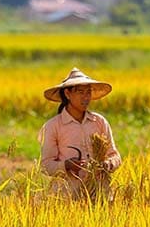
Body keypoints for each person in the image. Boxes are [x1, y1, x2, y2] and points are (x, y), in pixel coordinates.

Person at [39, 67, 122, 199]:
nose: (86, 97)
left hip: (100, 194)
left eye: (88, 92)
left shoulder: (99, 122)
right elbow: (45, 166)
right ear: (67, 94)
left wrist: (109, 163)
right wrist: (66, 165)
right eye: (81, 92)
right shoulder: (53, 126)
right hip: (68, 197)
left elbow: (114, 155)